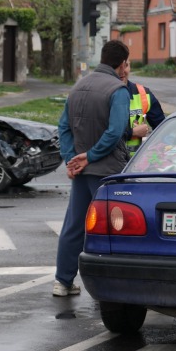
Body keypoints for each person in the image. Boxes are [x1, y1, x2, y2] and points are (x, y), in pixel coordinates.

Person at [53, 40, 131, 297]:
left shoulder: (77, 87)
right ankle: (110, 287)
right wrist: (92, 155)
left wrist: (72, 159)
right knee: (114, 228)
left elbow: (64, 127)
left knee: (74, 226)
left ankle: (62, 282)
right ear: (121, 64)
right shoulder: (118, 90)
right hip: (108, 172)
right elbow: (116, 130)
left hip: (81, 172)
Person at [121, 61, 165, 157]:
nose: (122, 71)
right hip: (109, 166)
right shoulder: (101, 94)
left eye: (126, 65)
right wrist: (132, 132)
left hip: (135, 165)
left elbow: (163, 129)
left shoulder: (143, 94)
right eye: (117, 66)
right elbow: (98, 133)